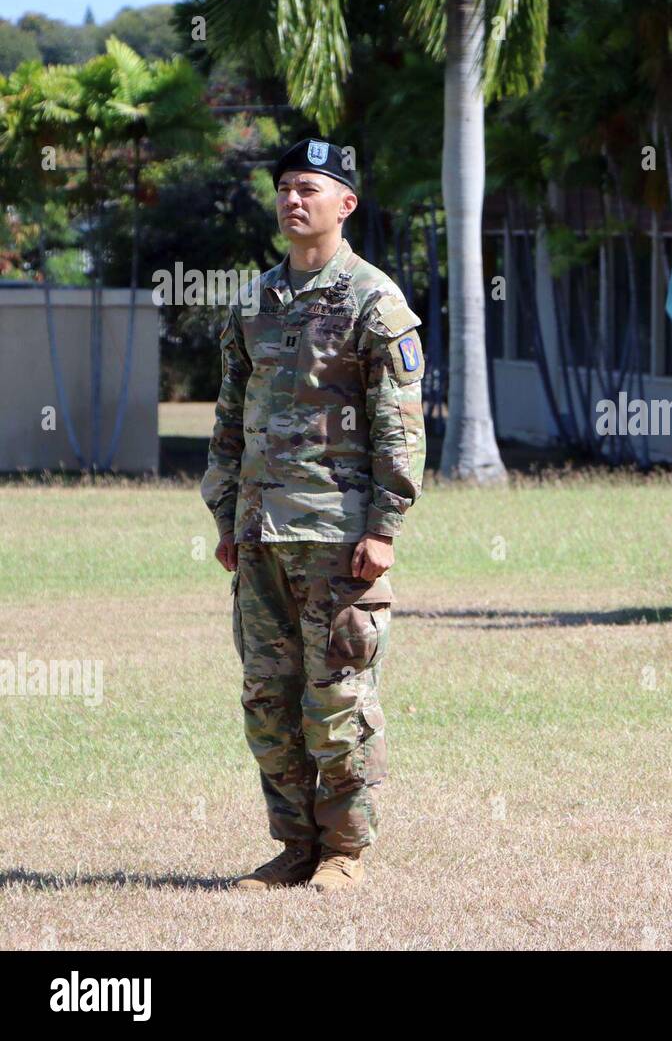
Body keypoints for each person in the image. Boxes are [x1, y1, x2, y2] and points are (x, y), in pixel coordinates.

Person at [201, 137, 426, 893]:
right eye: (286, 188)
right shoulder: (254, 300)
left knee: (338, 698)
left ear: (346, 203)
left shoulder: (374, 300)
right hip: (262, 536)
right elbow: (229, 419)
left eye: (310, 188)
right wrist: (228, 517)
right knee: (269, 699)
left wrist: (385, 525)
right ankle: (292, 845)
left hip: (338, 538)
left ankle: (345, 852)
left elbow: (400, 422)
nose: (294, 200)